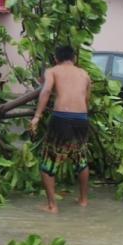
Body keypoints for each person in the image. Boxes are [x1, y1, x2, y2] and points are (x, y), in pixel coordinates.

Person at [30, 45, 91, 213]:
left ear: (56, 59)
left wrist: (37, 116)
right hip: (82, 119)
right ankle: (84, 201)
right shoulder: (84, 74)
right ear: (74, 59)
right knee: (81, 159)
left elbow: (47, 90)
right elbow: (86, 100)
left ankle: (52, 206)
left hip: (62, 119)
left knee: (48, 163)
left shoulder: (52, 71)